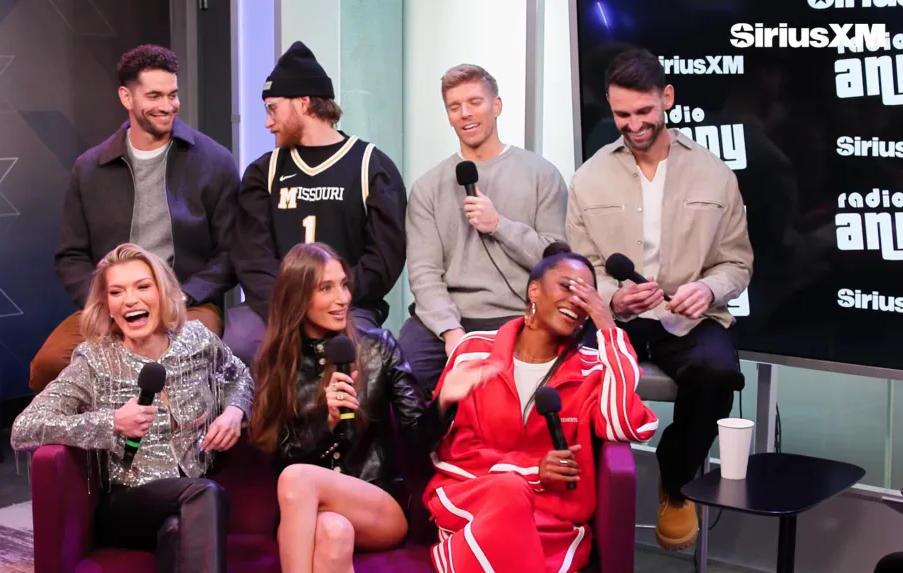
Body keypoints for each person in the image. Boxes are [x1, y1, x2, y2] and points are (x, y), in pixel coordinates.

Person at [566, 48, 752, 550]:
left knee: (718, 373)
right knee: (572, 374)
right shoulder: (588, 178)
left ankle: (676, 481)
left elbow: (737, 264)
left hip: (687, 320)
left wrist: (707, 289)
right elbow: (581, 269)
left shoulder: (715, 174)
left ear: (667, 97)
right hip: (614, 320)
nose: (634, 125)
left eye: (644, 111)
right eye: (622, 114)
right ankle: (577, 501)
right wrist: (614, 299)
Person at [11, 243, 254, 573]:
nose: (130, 300)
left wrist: (234, 412)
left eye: (142, 287)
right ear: (107, 305)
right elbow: (24, 427)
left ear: (163, 293)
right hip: (126, 503)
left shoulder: (197, 340)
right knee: (205, 495)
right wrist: (112, 422)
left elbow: (239, 376)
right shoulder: (95, 361)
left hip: (192, 490)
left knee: (178, 529)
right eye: (116, 292)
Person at [423, 242, 659, 573]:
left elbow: (621, 424)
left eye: (586, 295)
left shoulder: (592, 368)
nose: (576, 300)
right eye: (567, 286)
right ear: (534, 290)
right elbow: (450, 449)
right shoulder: (474, 351)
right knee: (507, 494)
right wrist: (531, 471)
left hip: (551, 517)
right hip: (475, 497)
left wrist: (608, 330)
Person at [247, 242, 479, 573]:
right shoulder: (277, 362)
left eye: (344, 285)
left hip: (378, 501)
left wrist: (442, 402)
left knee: (298, 479)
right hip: (309, 511)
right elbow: (277, 458)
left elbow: (416, 439)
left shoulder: (377, 348)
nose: (342, 298)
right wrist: (326, 424)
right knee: (333, 532)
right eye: (326, 288)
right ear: (297, 297)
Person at [31, 44, 241, 392]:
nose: (167, 106)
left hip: (187, 303)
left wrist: (185, 295)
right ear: (126, 97)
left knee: (180, 362)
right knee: (49, 364)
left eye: (172, 95)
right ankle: (94, 429)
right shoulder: (90, 168)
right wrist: (108, 302)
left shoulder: (214, 161)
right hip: (113, 305)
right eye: (154, 96)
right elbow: (71, 256)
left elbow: (231, 253)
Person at [229, 41, 407, 367]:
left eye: (272, 109)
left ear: (304, 103)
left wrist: (330, 295)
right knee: (241, 340)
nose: (268, 122)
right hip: (278, 306)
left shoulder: (371, 166)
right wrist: (294, 305)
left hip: (348, 304)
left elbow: (384, 259)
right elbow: (252, 257)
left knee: (364, 352)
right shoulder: (264, 172)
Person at [400, 63, 568, 394]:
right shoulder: (428, 187)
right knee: (404, 375)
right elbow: (424, 272)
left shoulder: (542, 174)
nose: (465, 113)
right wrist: (450, 332)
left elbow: (557, 262)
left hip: (523, 314)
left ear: (497, 106)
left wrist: (500, 226)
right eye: (455, 107)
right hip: (451, 317)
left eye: (475, 102)